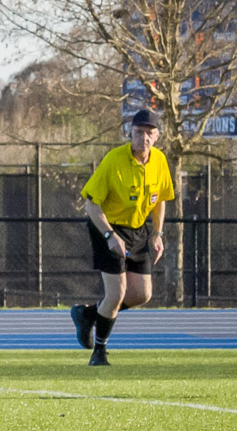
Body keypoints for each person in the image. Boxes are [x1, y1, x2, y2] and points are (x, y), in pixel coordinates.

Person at [70, 109, 175, 366]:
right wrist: (109, 235)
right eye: (139, 132)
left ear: (158, 136)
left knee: (142, 294)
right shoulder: (114, 160)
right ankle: (100, 352)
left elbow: (160, 199)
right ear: (130, 132)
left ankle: (88, 315)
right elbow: (91, 206)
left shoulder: (159, 161)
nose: (144, 138)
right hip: (107, 227)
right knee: (116, 294)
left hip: (138, 230)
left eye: (149, 133)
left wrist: (158, 234)